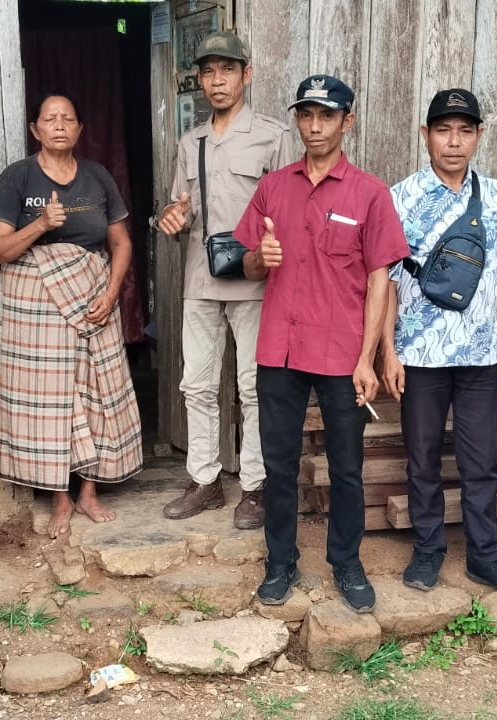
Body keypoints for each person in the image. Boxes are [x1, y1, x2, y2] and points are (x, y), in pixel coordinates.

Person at [234, 75, 409, 612]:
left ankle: (346, 563)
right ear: (297, 120)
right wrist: (259, 258)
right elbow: (247, 265)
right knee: (279, 464)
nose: (314, 126)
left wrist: (369, 358)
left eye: (326, 116)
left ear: (346, 122)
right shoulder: (273, 188)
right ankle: (280, 562)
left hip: (341, 354)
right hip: (280, 349)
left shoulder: (370, 193)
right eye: (306, 115)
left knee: (346, 466)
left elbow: (380, 282)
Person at [382, 89, 497, 598]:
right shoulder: (400, 197)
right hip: (419, 354)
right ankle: (428, 549)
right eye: (443, 130)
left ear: (478, 136)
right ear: (425, 134)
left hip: (479, 354)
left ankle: (485, 556)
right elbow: (385, 282)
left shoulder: (495, 196)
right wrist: (388, 351)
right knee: (422, 457)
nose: (454, 142)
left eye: (465, 131)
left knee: (481, 462)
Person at [0, 93, 143, 539]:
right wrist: (40, 224)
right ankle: (60, 497)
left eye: (68, 119)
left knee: (97, 391)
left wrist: (112, 293)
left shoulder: (97, 177)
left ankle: (89, 492)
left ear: (79, 129)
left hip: (93, 297)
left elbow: (121, 243)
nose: (59, 125)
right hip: (38, 304)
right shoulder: (16, 178)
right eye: (50, 119)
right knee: (52, 399)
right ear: (34, 129)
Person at [159, 31, 293, 530]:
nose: (217, 80)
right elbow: (182, 210)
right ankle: (205, 481)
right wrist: (171, 218)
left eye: (227, 70)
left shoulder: (273, 136)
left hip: (256, 283)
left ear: (246, 75)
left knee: (254, 387)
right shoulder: (189, 141)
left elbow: (289, 212)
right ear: (200, 80)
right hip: (200, 279)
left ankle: (255, 487)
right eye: (208, 72)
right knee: (196, 385)